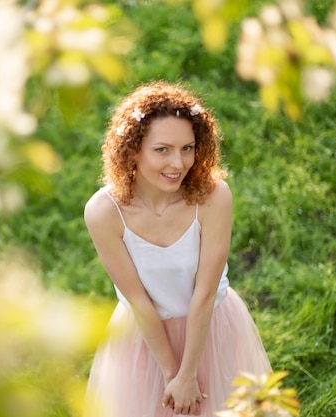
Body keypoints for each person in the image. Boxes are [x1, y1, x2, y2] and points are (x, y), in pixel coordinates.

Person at [83, 81, 271, 417]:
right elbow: (138, 300)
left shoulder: (213, 197)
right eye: (162, 149)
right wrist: (172, 375)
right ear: (133, 150)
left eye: (187, 148)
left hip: (212, 327)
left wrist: (188, 374)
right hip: (144, 336)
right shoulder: (104, 212)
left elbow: (204, 292)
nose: (178, 163)